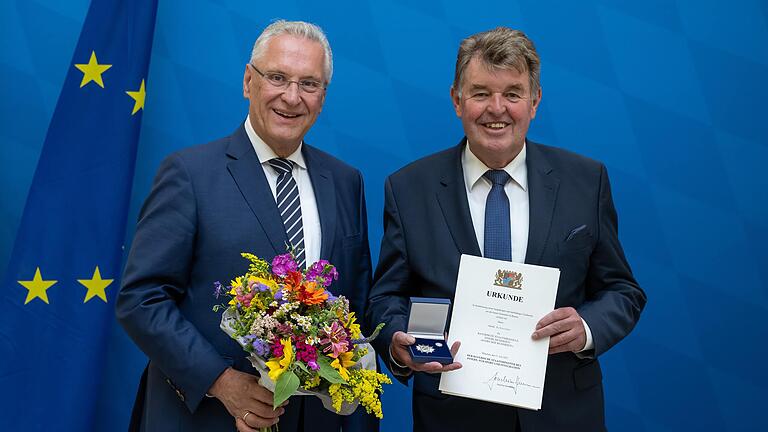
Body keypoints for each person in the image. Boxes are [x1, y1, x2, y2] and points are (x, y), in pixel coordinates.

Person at [365, 27, 646, 431]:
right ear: (456, 100)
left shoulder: (586, 180)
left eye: (512, 94)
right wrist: (395, 339)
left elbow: (624, 291)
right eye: (480, 93)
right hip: (451, 417)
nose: (496, 108)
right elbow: (385, 296)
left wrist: (584, 328)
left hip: (564, 415)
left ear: (534, 102)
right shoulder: (409, 188)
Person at [116, 20, 376, 432]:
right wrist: (221, 382)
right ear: (248, 81)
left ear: (323, 97)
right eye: (277, 78)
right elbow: (141, 298)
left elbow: (356, 306)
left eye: (309, 84)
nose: (292, 97)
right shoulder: (189, 174)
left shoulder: (346, 182)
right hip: (207, 418)